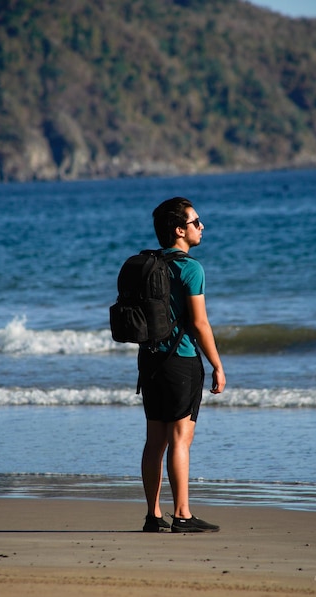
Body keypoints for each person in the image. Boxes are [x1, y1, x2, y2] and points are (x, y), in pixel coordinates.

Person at [139, 197, 226, 533]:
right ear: (179, 230)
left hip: (149, 360)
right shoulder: (192, 268)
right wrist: (217, 364)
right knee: (180, 440)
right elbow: (200, 324)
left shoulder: (150, 264)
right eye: (196, 221)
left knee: (154, 440)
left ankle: (152, 516)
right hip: (181, 361)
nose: (201, 227)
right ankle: (183, 515)